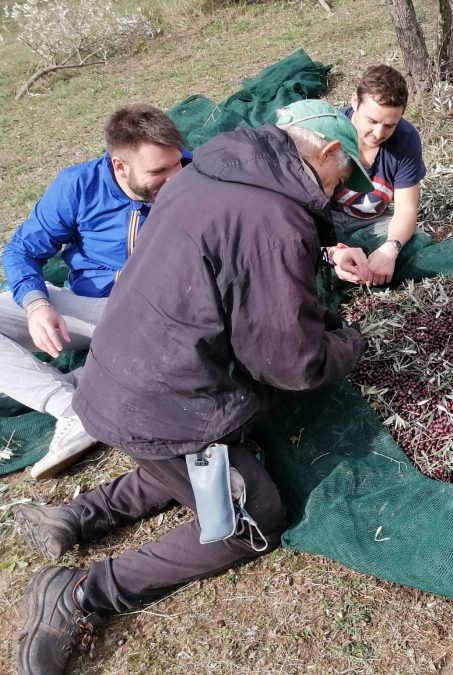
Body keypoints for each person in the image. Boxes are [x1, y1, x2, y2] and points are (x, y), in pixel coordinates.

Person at [14, 99, 374, 675]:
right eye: (341, 174)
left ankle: (79, 515)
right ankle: (83, 593)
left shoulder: (211, 167)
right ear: (326, 152)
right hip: (161, 399)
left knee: (190, 460)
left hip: (120, 371)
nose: (339, 189)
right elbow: (290, 362)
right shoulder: (275, 221)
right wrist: (349, 342)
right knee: (254, 518)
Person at [0, 104, 189, 480]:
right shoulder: (78, 186)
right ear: (119, 166)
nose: (175, 179)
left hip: (163, 317)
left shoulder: (197, 175)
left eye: (177, 164)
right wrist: (37, 304)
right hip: (95, 310)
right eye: (158, 172)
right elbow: (21, 250)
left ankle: (93, 390)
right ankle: (71, 406)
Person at [331, 64, 427, 286]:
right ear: (355, 101)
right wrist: (335, 251)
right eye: (372, 121)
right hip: (328, 221)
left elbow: (406, 210)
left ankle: (365, 263)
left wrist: (390, 249)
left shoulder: (407, 139)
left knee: (418, 240)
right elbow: (307, 211)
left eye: (389, 125)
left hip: (371, 223)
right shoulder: (330, 130)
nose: (378, 133)